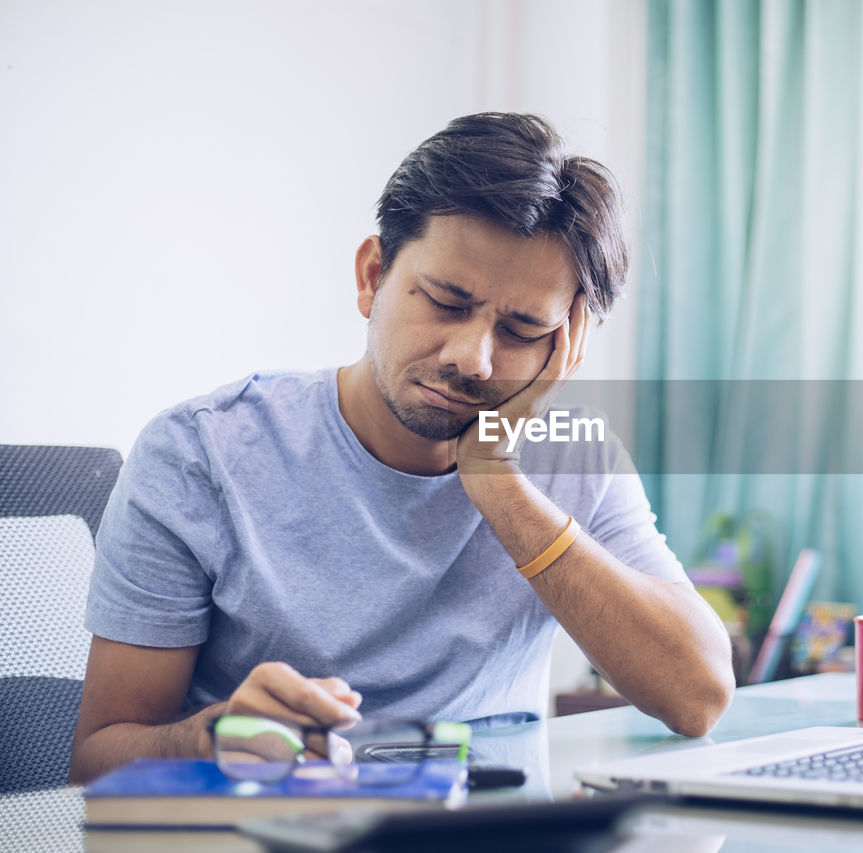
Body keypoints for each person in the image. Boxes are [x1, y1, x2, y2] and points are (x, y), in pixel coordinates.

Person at [69, 113, 735, 784]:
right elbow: (93, 765)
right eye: (447, 301)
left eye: (521, 329)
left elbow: (699, 695)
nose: (472, 358)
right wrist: (216, 739)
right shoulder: (198, 453)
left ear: (566, 345)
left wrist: (499, 484)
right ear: (372, 274)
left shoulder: (573, 457)